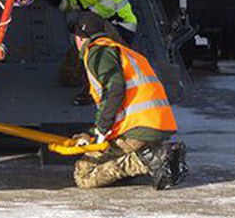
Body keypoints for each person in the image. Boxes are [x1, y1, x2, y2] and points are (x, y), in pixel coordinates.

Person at [68, 12, 187, 190]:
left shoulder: (98, 53)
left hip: (137, 129)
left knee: (84, 174)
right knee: (105, 163)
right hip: (154, 124)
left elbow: (115, 88)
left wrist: (101, 129)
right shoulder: (120, 50)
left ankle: (148, 160)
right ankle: (152, 154)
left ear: (80, 38)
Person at [44, 0, 138, 99]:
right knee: (69, 71)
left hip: (120, 26)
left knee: (91, 48)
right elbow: (73, 6)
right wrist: (56, 0)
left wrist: (84, 20)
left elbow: (110, 4)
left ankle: (95, 90)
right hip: (94, 25)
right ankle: (80, 77)